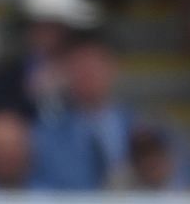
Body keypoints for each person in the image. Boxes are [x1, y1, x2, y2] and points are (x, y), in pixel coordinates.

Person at [0, 0, 100, 122]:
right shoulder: (2, 78)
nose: (45, 34)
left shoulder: (86, 76)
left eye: (54, 27)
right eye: (39, 25)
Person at [29, 30, 136, 191]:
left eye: (95, 66)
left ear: (112, 68)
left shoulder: (141, 128)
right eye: (80, 67)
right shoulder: (44, 138)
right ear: (65, 73)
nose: (88, 75)